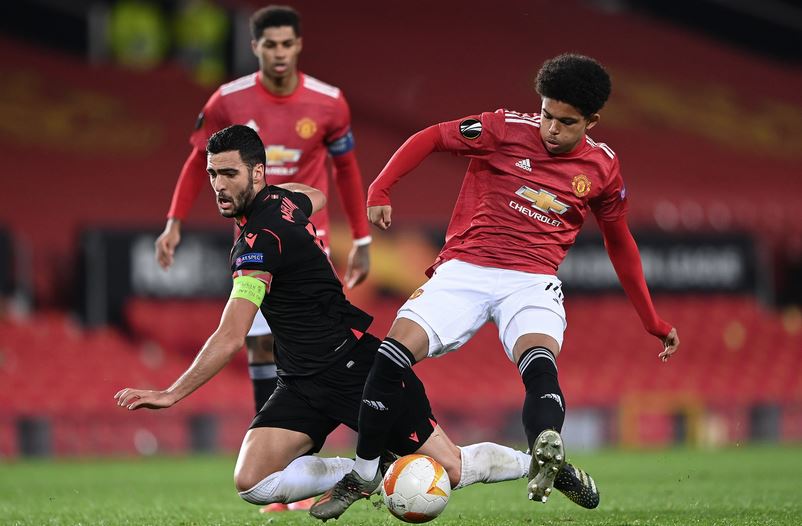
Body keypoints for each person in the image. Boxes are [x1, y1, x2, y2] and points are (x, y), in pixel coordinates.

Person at [310, 53, 681, 520]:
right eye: (546, 114)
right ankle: (364, 476)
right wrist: (380, 188)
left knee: (540, 364)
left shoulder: (602, 168)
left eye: (566, 122)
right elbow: (432, 136)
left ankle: (546, 449)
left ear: (592, 121)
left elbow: (620, 242)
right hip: (465, 269)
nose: (551, 129)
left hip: (533, 280)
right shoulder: (503, 128)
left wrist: (651, 319)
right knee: (389, 358)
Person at [117, 124, 535, 513]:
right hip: (302, 380)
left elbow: (231, 336)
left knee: (453, 470)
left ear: (257, 172)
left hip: (356, 370)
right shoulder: (280, 205)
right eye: (212, 174)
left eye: (229, 173)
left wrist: (171, 393)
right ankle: (366, 473)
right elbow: (313, 195)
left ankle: (535, 463)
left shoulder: (258, 245)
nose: (219, 185)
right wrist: (276, 196)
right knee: (252, 481)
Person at [153, 6, 372, 463]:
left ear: (299, 45)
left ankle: (339, 449)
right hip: (256, 237)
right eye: (269, 44)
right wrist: (174, 221)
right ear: (255, 47)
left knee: (308, 341)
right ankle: (277, 453)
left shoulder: (329, 102)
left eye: (287, 44)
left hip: (307, 236)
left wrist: (362, 239)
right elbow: (198, 161)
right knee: (258, 343)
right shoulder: (226, 101)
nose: (279, 53)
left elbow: (346, 169)